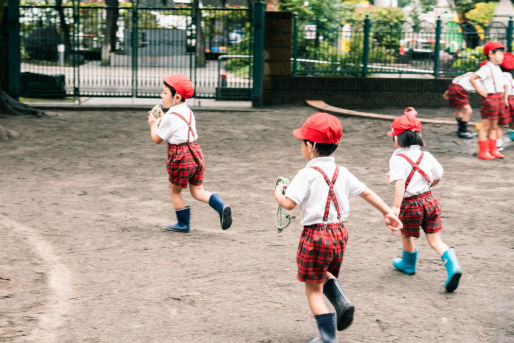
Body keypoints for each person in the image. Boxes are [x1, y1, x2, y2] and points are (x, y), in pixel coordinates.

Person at [274, 112, 402, 343]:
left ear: (311, 146)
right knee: (323, 270)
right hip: (339, 233)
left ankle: (328, 338)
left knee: (313, 290)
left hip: (315, 236)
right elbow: (367, 192)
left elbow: (289, 204)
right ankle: (341, 300)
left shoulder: (307, 174)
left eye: (303, 142)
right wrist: (388, 213)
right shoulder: (342, 172)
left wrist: (278, 192)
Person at [385, 114, 462, 293]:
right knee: (435, 239)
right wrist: (426, 186)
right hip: (429, 200)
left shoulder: (397, 158)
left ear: (399, 138)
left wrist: (396, 207)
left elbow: (400, 183)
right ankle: (453, 265)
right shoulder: (426, 155)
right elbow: (437, 176)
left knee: (406, 234)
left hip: (410, 204)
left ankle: (408, 264)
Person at [147, 74, 232, 233]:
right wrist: (162, 120)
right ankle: (221, 206)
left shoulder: (170, 117)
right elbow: (175, 125)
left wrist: (153, 125)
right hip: (195, 153)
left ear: (177, 97)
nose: (161, 95)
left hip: (180, 156)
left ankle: (183, 224)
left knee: (174, 190)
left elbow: (157, 139)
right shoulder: (187, 111)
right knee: (198, 191)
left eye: (165, 93)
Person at [469, 42, 509, 160]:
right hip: (490, 98)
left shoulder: (497, 68)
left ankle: (493, 149)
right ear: (491, 54)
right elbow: (473, 78)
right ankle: (483, 151)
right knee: (485, 125)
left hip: (499, 97)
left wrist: (504, 97)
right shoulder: (487, 67)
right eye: (500, 53)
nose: (502, 56)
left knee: (494, 125)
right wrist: (480, 91)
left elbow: (503, 84)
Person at [442, 72, 476, 139]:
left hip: (453, 87)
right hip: (459, 90)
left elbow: (457, 81)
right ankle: (462, 131)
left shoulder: (471, 73)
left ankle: (460, 129)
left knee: (459, 108)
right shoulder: (481, 76)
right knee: (469, 111)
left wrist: (450, 92)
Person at [500, 52, 514, 143]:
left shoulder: (500, 75)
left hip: (505, 98)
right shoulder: (511, 76)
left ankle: (497, 141)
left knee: (502, 120)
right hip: (512, 97)